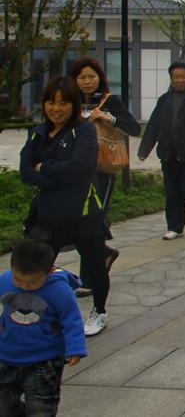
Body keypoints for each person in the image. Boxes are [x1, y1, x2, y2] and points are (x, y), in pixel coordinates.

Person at [20, 77, 111, 337]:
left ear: (73, 104)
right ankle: (33, 315)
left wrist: (44, 168)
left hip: (83, 212)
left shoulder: (84, 131)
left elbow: (78, 167)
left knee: (94, 265)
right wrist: (51, 175)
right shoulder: (38, 133)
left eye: (63, 103)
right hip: (48, 213)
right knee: (36, 265)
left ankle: (99, 311)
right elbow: (25, 171)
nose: (56, 108)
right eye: (51, 102)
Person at [70, 56, 141, 296]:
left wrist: (108, 117)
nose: (87, 81)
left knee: (93, 220)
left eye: (92, 76)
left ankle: (89, 279)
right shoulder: (70, 102)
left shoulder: (110, 101)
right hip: (75, 171)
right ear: (74, 80)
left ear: (99, 78)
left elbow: (134, 128)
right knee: (81, 221)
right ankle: (103, 254)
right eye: (82, 77)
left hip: (102, 169)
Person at [0, 240, 86, 415]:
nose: (24, 286)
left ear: (49, 272)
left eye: (32, 283)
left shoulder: (59, 290)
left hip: (44, 360)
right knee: (4, 405)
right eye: (18, 280)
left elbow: (72, 320)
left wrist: (75, 348)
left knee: (41, 406)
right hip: (6, 355)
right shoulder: (5, 280)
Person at [138, 62, 185, 240]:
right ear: (171, 78)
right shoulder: (164, 100)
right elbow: (153, 126)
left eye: (183, 77)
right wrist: (144, 149)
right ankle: (175, 227)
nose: (180, 80)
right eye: (176, 77)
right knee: (172, 192)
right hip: (168, 153)